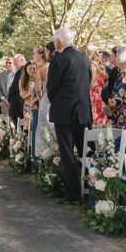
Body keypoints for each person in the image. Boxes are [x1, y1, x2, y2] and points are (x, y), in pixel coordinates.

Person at [47, 27, 92, 205]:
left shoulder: (59, 59)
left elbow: (51, 89)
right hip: (83, 111)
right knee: (86, 152)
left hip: (64, 113)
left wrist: (59, 103)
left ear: (57, 42)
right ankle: (91, 192)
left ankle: (73, 195)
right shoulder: (84, 57)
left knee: (67, 153)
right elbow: (88, 80)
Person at [35, 42, 56, 157]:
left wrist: (40, 98)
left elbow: (38, 89)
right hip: (56, 101)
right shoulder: (56, 65)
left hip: (45, 100)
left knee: (44, 130)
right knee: (54, 129)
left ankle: (44, 158)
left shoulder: (40, 68)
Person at [81, 44, 108, 126]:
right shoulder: (99, 66)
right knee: (99, 134)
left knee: (89, 134)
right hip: (99, 103)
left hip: (90, 104)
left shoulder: (89, 66)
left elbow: (88, 87)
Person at [107, 45, 126, 128]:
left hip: (122, 115)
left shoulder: (123, 73)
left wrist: (109, 106)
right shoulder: (121, 72)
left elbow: (118, 98)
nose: (114, 58)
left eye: (117, 55)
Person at [8, 54, 26, 127]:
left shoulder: (21, 71)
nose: (14, 63)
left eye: (15, 61)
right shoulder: (26, 70)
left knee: (19, 127)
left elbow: (14, 87)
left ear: (22, 61)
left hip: (17, 103)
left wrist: (9, 97)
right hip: (20, 102)